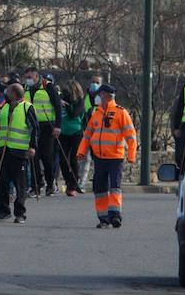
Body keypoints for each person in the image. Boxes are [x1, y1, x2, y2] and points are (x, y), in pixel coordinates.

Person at [78, 83, 138, 228]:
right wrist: (81, 151)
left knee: (115, 187)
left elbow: (131, 136)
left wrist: (131, 155)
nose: (97, 98)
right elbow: (87, 135)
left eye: (99, 95)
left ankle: (115, 216)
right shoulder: (96, 113)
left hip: (115, 157)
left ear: (105, 95)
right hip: (99, 157)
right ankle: (103, 218)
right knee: (99, 188)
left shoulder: (120, 112)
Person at [0, 83, 38, 223]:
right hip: (4, 151)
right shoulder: (5, 106)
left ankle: (20, 214)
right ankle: (4, 211)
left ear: (14, 93)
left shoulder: (27, 107)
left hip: (19, 152)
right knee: (2, 182)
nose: (6, 92)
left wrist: (32, 147)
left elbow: (35, 128)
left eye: (8, 90)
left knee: (20, 185)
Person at [24, 68, 62, 196]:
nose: (28, 79)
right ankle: (36, 185)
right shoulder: (27, 89)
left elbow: (57, 106)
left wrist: (58, 126)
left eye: (30, 77)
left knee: (47, 157)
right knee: (33, 156)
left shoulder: (48, 86)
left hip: (47, 126)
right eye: (26, 77)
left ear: (36, 76)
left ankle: (50, 184)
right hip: (32, 126)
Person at [57, 80, 87, 196]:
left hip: (76, 133)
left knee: (74, 160)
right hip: (63, 133)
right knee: (62, 160)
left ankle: (73, 185)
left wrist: (67, 105)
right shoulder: (62, 99)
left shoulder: (79, 102)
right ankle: (69, 181)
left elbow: (73, 114)